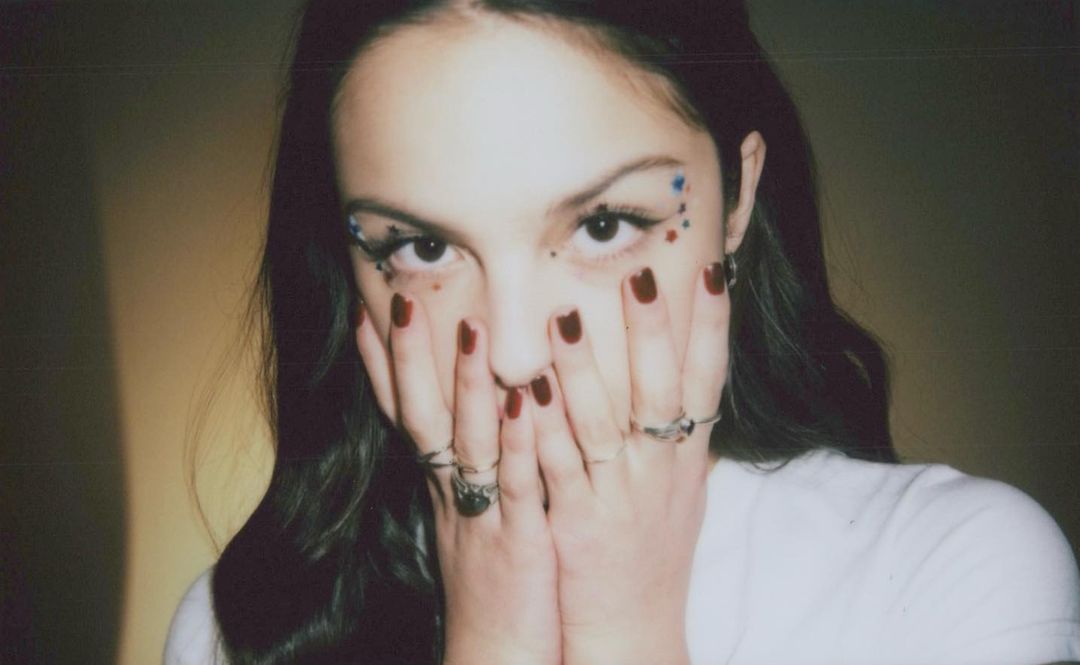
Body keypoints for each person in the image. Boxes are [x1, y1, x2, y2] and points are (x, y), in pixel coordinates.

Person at [164, 1, 1080, 663]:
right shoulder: (238, 629)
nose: (516, 352)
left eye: (604, 225)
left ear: (737, 200)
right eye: (423, 246)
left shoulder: (951, 572)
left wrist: (625, 630)